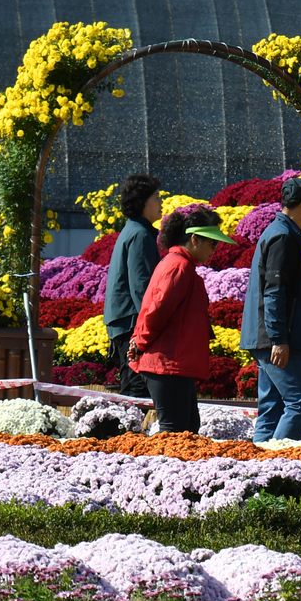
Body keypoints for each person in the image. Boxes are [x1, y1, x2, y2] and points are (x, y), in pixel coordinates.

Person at [129, 209, 236, 434]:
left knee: (186, 431)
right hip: (167, 364)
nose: (214, 250)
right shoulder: (179, 266)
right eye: (212, 244)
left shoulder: (179, 265)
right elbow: (158, 310)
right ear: (195, 239)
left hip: (174, 364)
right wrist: (139, 343)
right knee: (175, 432)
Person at [240, 177, 301, 442]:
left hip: (268, 338)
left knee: (271, 410)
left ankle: (258, 470)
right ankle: (278, 468)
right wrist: (279, 338)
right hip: (278, 339)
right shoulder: (284, 237)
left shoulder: (276, 232)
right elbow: (275, 291)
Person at [102, 174, 162, 399]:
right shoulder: (140, 234)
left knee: (133, 385)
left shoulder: (133, 230)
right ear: (142, 203)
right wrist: (152, 325)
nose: (161, 202)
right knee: (137, 388)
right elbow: (142, 287)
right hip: (132, 322)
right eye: (156, 197)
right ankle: (130, 434)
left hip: (125, 321)